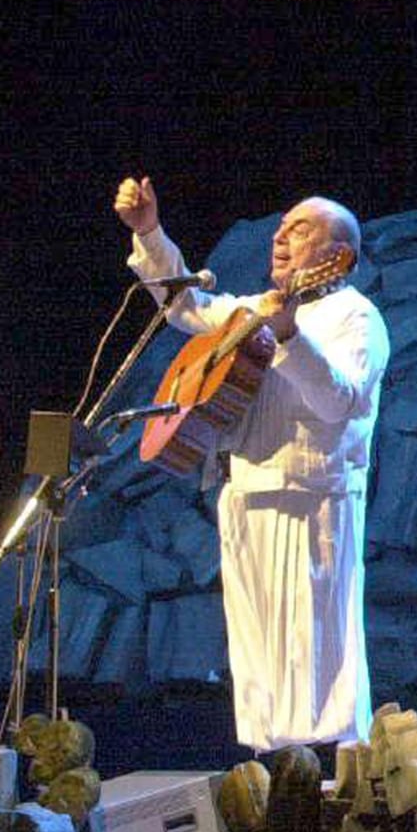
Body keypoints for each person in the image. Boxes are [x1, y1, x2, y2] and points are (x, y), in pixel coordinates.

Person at [113, 177, 387, 752]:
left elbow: (341, 401)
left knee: (311, 648)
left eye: (301, 229)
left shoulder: (356, 316)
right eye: (281, 226)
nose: (282, 237)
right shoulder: (257, 308)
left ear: (339, 256)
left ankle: (325, 777)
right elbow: (188, 306)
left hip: (308, 500)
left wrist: (288, 335)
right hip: (245, 493)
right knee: (258, 659)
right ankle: (274, 777)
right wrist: (149, 234)